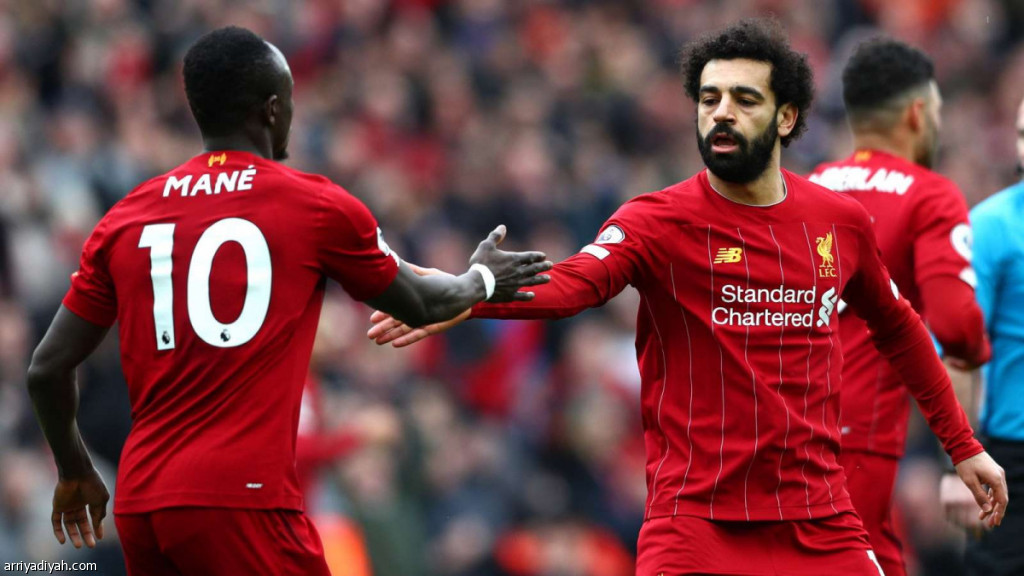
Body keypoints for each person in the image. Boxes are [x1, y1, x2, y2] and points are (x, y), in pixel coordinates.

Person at [367, 19, 1007, 575]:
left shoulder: (838, 222)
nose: (721, 112)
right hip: (698, 528)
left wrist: (964, 445)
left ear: (786, 117)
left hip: (818, 523)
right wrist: (465, 293)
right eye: (708, 98)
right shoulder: (657, 221)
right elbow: (572, 284)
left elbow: (900, 327)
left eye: (744, 99)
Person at [25, 26, 551, 575]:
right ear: (273, 109)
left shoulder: (126, 217)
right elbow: (421, 303)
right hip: (242, 501)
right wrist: (482, 279)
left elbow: (46, 368)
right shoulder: (313, 205)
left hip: (142, 503)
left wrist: (74, 469)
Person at [805, 38, 991, 576]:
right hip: (854, 440)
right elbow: (956, 327)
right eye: (937, 111)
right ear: (916, 113)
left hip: (779, 430)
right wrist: (979, 346)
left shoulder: (806, 188)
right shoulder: (930, 195)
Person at [940, 96, 1024, 576]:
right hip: (1014, 459)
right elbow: (958, 355)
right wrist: (961, 461)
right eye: (1021, 135)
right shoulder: (991, 227)